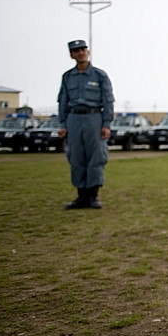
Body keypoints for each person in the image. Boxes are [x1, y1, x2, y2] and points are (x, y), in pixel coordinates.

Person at [57, 39, 114, 210]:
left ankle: (93, 196)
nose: (80, 53)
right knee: (76, 157)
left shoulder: (99, 75)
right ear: (72, 55)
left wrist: (106, 124)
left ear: (88, 52)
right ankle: (81, 196)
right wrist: (63, 124)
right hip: (74, 119)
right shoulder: (67, 77)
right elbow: (63, 101)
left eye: (83, 49)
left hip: (94, 118)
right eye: (76, 51)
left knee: (96, 156)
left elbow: (108, 100)